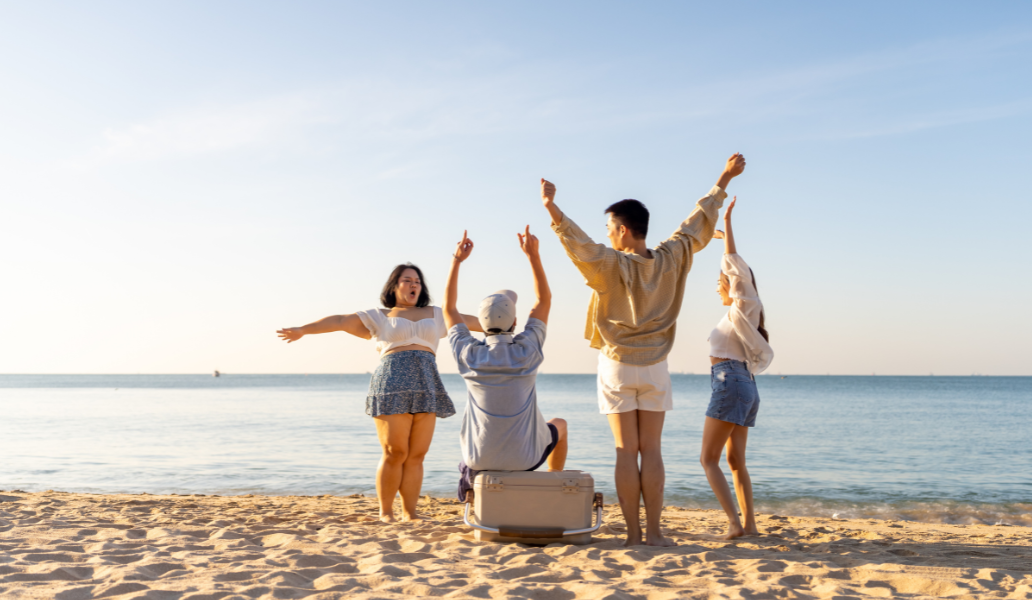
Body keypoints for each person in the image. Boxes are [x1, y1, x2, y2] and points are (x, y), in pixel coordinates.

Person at [541, 152, 746, 546]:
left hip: (617, 364)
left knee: (625, 451)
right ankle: (654, 532)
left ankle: (633, 535)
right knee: (651, 450)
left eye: (609, 227)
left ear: (621, 230)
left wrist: (552, 208)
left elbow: (578, 244)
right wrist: (724, 177)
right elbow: (698, 220)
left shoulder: (611, 263)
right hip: (655, 365)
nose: (606, 233)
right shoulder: (673, 256)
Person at [276, 264, 484, 522]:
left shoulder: (437, 314)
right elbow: (340, 321)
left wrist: (503, 324)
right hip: (392, 382)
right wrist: (303, 330)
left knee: (417, 454)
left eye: (417, 281)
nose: (413, 285)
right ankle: (386, 512)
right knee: (395, 452)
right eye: (407, 280)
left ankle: (410, 513)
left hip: (426, 382)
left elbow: (477, 322)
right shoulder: (380, 315)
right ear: (394, 286)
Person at [442, 228, 567, 501]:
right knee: (560, 424)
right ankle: (552, 484)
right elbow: (543, 300)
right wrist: (533, 256)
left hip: (478, 458)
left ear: (480, 326)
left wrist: (457, 260)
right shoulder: (528, 350)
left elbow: (449, 310)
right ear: (514, 323)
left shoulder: (468, 354)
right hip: (525, 459)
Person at [701, 196, 773, 538]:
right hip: (741, 384)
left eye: (721, 281)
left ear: (736, 283)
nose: (718, 285)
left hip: (730, 380)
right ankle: (750, 526)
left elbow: (732, 264)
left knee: (708, 459)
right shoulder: (736, 317)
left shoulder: (746, 304)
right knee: (734, 462)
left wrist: (727, 224)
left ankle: (733, 523)